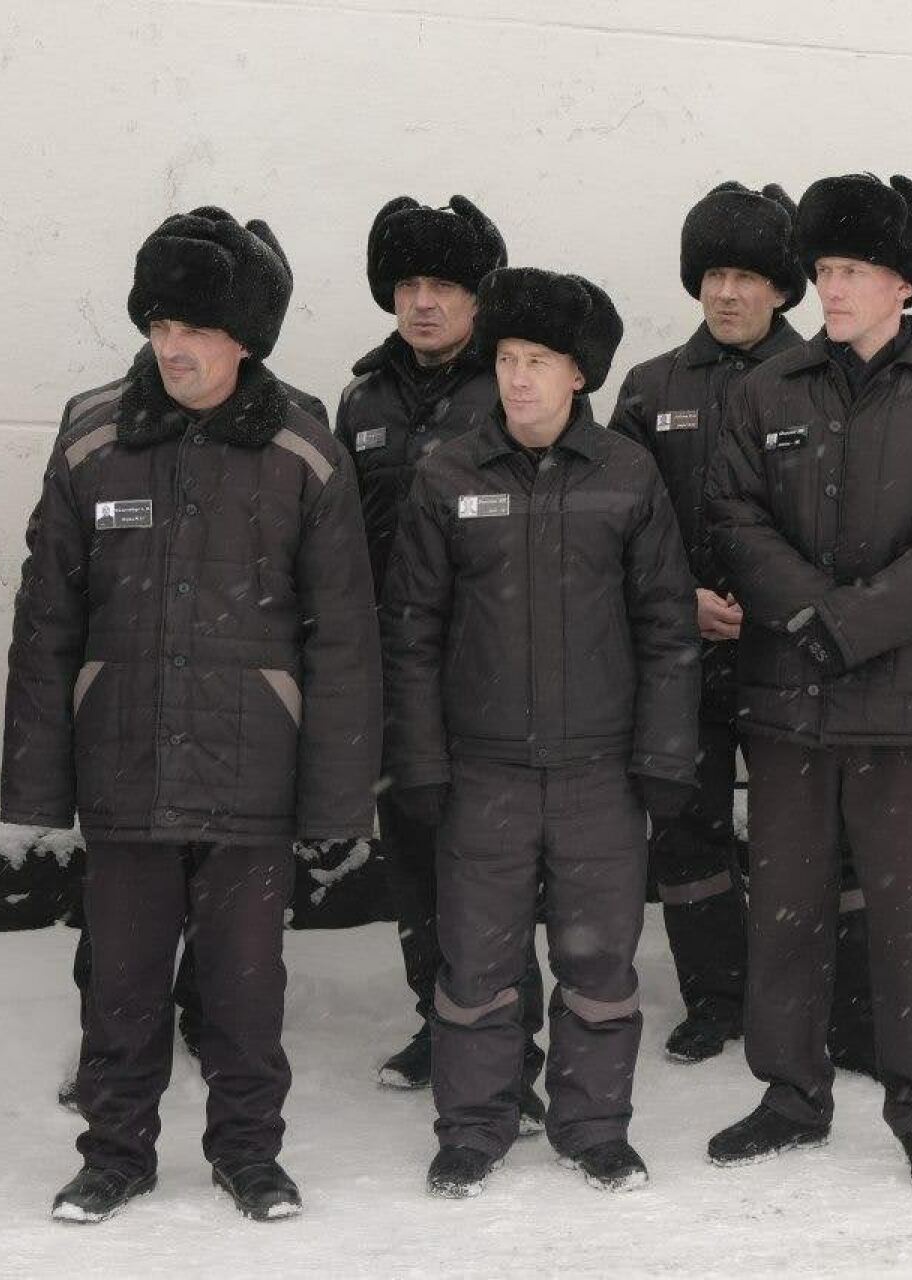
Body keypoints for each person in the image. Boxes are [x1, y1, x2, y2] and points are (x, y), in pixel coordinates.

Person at [2, 207, 380, 1222]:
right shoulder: (93, 439)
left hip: (253, 775)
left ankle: (249, 1153)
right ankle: (115, 1153)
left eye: (196, 329)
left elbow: (343, 636)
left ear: (244, 338)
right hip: (124, 764)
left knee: (245, 989)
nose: (173, 347)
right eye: (160, 325)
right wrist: (38, 780)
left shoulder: (304, 448)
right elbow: (47, 617)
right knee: (120, 986)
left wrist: (335, 796)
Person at [704, 173, 912, 1197]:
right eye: (824, 268)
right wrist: (809, 616)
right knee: (785, 910)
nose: (829, 288)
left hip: (908, 706)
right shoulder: (770, 389)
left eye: (852, 271)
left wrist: (851, 624)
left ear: (902, 283)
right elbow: (735, 514)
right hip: (788, 698)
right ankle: (791, 1094)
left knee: (911, 918)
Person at [382, 267, 700, 1197]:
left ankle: (595, 1127)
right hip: (482, 773)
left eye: (540, 361)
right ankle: (474, 1125)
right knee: (476, 962)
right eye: (508, 359)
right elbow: (411, 631)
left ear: (578, 374)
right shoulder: (447, 474)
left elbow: (667, 627)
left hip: (600, 772)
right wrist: (420, 759)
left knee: (597, 961)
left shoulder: (627, 475)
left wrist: (664, 755)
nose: (519, 378)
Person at [333, 194, 547, 1119]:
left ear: (478, 296)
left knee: (491, 866)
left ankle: (510, 1042)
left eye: (445, 286)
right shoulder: (363, 399)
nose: (424, 302)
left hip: (494, 669)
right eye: (409, 284)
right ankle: (440, 1018)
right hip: (396, 673)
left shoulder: (510, 384)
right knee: (415, 860)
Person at [608, 181, 806, 1063]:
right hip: (680, 655)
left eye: (748, 277)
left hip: (790, 653)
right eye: (714, 275)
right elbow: (613, 519)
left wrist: (776, 599)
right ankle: (716, 996)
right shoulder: (652, 388)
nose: (727, 293)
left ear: (782, 288)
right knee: (687, 831)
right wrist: (677, 597)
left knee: (802, 832)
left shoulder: (822, 378)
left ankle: (803, 993)